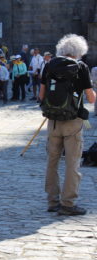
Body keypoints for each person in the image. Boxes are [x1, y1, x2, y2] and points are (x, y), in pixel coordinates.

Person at [39, 34, 96, 216]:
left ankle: (52, 201)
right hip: (73, 121)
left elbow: (41, 95)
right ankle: (68, 203)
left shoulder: (49, 65)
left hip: (53, 121)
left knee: (52, 161)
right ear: (79, 52)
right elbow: (90, 97)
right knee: (72, 163)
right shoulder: (81, 67)